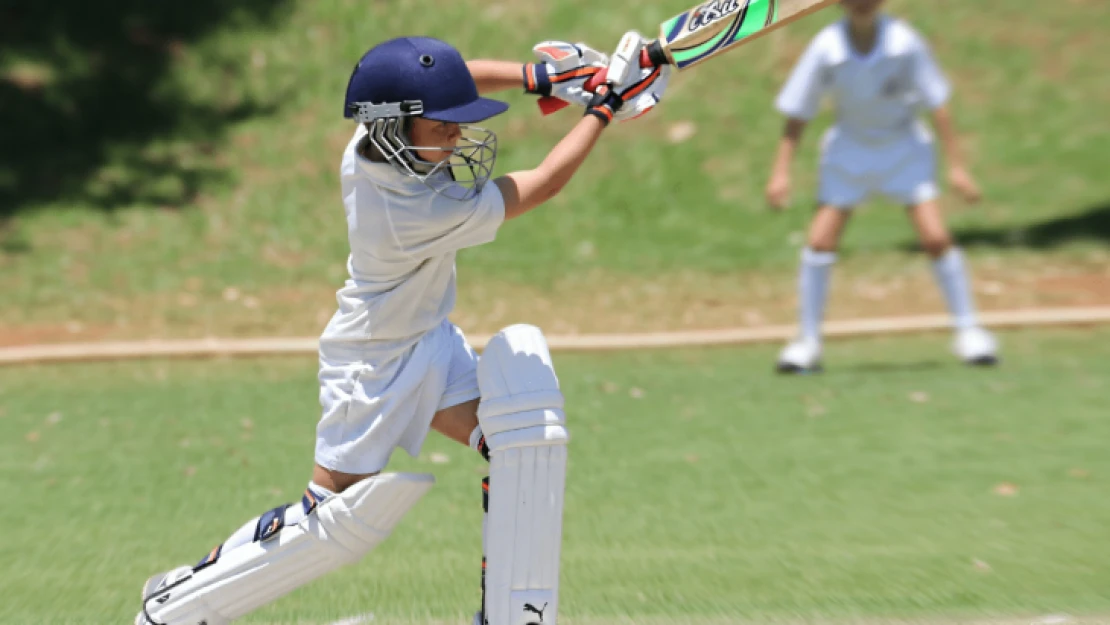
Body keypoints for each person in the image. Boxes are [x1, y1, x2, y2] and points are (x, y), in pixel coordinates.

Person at [135, 34, 669, 625]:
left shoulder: (371, 139)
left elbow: (449, 80)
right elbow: (543, 183)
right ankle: (176, 606)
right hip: (372, 363)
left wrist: (542, 78)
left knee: (522, 446)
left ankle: (510, 615)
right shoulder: (413, 210)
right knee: (331, 521)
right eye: (445, 129)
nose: (459, 137)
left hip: (430, 340)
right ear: (395, 128)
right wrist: (604, 108)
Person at [766, 0, 997, 373]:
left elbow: (938, 104)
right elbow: (799, 110)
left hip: (903, 147)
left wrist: (957, 168)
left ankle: (970, 332)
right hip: (850, 150)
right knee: (820, 242)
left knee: (936, 238)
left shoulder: (905, 43)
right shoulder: (826, 48)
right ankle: (806, 342)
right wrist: (781, 172)